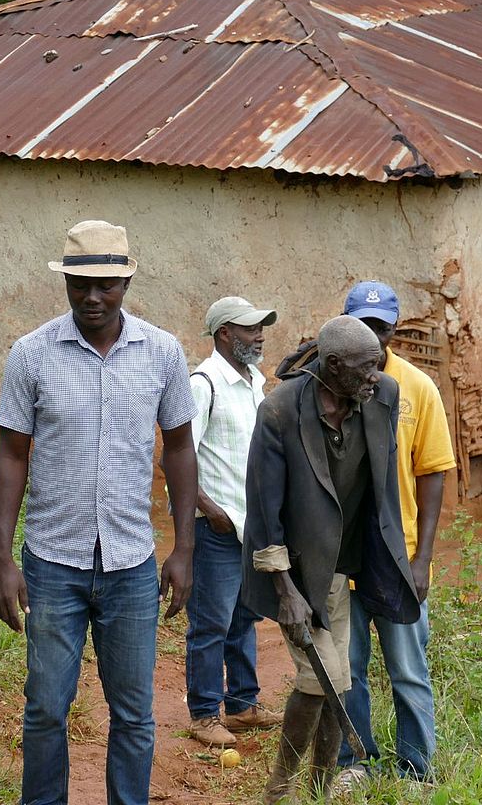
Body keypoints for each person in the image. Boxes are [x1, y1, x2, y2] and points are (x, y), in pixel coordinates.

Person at [0, 220, 198, 805]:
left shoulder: (162, 352)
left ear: (127, 281)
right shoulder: (32, 354)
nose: (93, 297)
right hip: (53, 562)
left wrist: (183, 548)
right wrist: (1, 559)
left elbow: (179, 449)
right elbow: (11, 456)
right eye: (80, 285)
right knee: (46, 709)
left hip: (131, 563)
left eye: (106, 284)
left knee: (133, 715)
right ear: (66, 283)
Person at [242, 315, 417, 804]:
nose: (374, 377)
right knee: (322, 678)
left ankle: (316, 790)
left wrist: (395, 562)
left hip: (341, 567)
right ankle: (280, 790)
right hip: (293, 572)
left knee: (333, 679)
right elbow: (263, 510)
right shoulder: (279, 411)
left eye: (377, 367)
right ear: (332, 364)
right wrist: (285, 591)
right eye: (364, 369)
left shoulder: (381, 395)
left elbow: (380, 489)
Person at [335, 281, 456, 786]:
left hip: (397, 557)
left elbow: (432, 473)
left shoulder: (417, 388)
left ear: (394, 329)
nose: (372, 338)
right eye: (362, 327)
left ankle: (416, 771)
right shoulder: (327, 387)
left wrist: (422, 558)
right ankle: (355, 764)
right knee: (347, 670)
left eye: (381, 327)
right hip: (343, 559)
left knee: (407, 670)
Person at [184, 296, 282, 747]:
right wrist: (209, 510)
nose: (259, 334)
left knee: (245, 615)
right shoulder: (204, 384)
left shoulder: (255, 383)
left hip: (250, 526)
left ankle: (241, 705)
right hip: (218, 528)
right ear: (224, 333)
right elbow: (179, 458)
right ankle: (204, 714)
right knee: (211, 623)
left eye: (261, 327)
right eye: (249, 328)